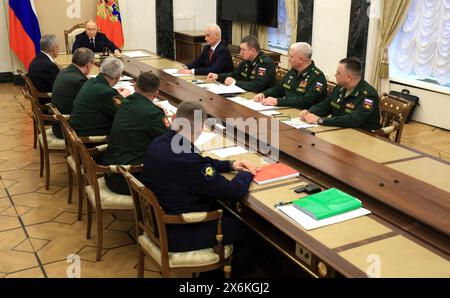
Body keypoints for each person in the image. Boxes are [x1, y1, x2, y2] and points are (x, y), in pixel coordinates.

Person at [140, 101, 260, 276]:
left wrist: (231, 165)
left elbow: (201, 161)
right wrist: (248, 172)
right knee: (249, 231)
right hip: (179, 232)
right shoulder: (187, 160)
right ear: (202, 126)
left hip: (157, 221)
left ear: (174, 119)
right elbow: (233, 191)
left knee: (224, 212)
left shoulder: (161, 141)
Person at [102, 72, 170, 195]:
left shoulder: (125, 102)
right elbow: (171, 143)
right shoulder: (153, 114)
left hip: (112, 171)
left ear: (135, 87)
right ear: (157, 93)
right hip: (130, 179)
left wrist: (151, 106)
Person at [299, 57, 381, 131]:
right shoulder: (339, 88)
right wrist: (309, 112)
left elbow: (353, 120)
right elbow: (325, 106)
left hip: (363, 135)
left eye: (338, 73)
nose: (335, 75)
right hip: (340, 130)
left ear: (348, 77)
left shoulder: (369, 95)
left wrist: (320, 120)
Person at [253, 42, 327, 109]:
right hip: (288, 109)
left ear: (301, 59)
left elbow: (305, 102)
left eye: (291, 57)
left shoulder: (317, 77)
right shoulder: (293, 71)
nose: (289, 59)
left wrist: (278, 101)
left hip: (306, 115)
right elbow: (279, 89)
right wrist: (264, 94)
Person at [70, 57, 130, 137]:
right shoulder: (107, 92)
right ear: (118, 76)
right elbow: (123, 114)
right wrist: (122, 96)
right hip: (90, 139)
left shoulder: (91, 82)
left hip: (79, 131)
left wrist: (117, 95)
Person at [51, 48, 95, 139]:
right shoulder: (78, 81)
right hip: (67, 129)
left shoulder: (65, 71)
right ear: (88, 65)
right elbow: (93, 102)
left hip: (59, 124)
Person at [207, 35, 276, 93]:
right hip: (247, 93)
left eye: (243, 50)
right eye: (240, 49)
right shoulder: (248, 59)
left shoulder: (264, 63)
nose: (240, 53)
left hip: (260, 97)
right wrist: (218, 76)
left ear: (253, 50)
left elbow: (257, 86)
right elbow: (235, 75)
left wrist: (235, 83)